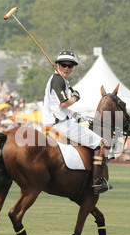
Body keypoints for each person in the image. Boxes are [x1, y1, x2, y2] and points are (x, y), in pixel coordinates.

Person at [42, 50, 112, 194]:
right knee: (101, 143)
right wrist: (75, 97)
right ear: (58, 65)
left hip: (59, 121)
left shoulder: (59, 80)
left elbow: (57, 107)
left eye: (70, 65)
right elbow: (63, 104)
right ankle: (97, 182)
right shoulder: (58, 79)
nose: (67, 68)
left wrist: (76, 115)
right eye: (63, 65)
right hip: (61, 125)